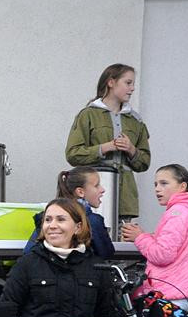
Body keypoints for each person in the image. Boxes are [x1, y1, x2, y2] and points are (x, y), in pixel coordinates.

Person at [65, 63, 151, 220]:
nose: (132, 88)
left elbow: (145, 162)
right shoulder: (88, 115)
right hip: (93, 196)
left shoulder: (135, 121)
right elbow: (72, 154)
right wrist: (105, 147)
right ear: (111, 82)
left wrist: (132, 149)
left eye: (133, 84)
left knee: (120, 242)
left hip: (125, 200)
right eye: (128, 83)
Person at [121, 164, 188, 312]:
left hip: (170, 294)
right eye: (155, 184)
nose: (157, 189)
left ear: (182, 186)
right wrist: (146, 236)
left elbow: (162, 255)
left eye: (164, 183)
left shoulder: (176, 214)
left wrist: (139, 237)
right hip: (180, 292)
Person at [26, 167, 115, 258]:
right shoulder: (92, 221)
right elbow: (106, 254)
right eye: (96, 185)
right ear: (80, 192)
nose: (102, 189)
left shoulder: (45, 219)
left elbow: (28, 252)